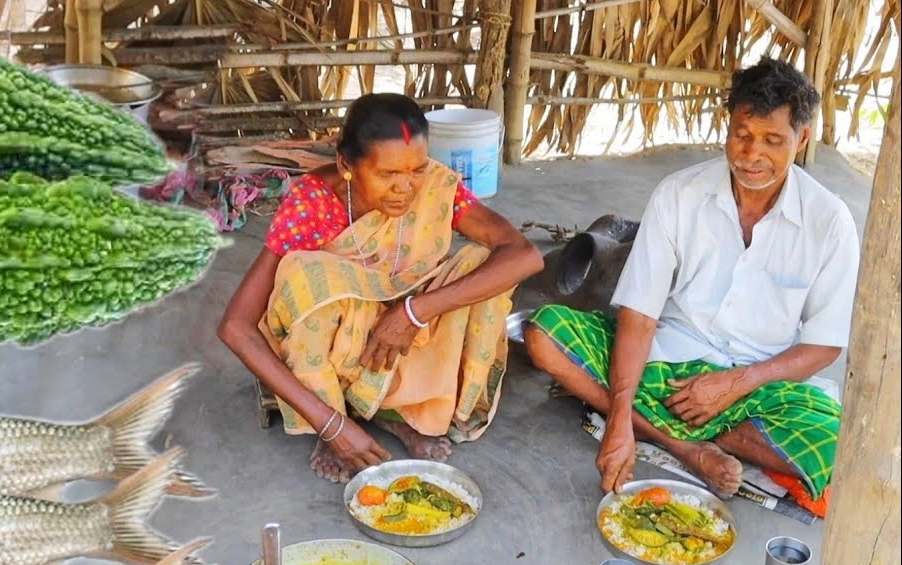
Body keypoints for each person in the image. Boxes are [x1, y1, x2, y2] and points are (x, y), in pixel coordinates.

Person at [524, 58, 858, 501]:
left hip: (761, 384)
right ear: (729, 125)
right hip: (668, 366)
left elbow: (824, 345)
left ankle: (699, 430)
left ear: (802, 139)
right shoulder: (679, 194)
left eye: (772, 140)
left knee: (839, 448)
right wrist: (619, 423)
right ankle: (685, 447)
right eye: (742, 135)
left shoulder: (830, 221)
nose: (751, 154)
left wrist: (735, 384)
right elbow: (640, 316)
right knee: (544, 334)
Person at [218, 94, 544, 482]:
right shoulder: (314, 203)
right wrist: (331, 426)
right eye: (388, 175)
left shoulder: (435, 185)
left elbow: (524, 255)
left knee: (479, 267)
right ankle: (334, 414)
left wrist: (414, 312)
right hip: (336, 346)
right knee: (306, 276)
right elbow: (236, 327)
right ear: (346, 164)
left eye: (416, 170)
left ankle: (395, 412)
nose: (405, 188)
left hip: (403, 333)